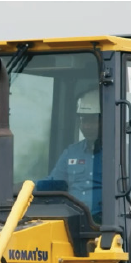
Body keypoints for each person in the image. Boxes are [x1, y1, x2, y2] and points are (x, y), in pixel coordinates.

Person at [46, 88, 104, 216]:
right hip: (71, 220)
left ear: (106, 121)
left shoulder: (124, 156)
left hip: (106, 225)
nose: (87, 126)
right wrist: (26, 189)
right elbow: (54, 183)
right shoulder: (71, 153)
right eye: (84, 120)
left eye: (93, 121)